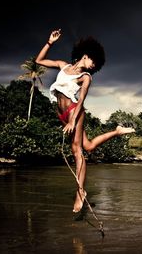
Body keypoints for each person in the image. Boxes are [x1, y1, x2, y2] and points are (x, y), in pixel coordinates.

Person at [35, 29, 135, 214]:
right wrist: (49, 43)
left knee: (77, 150)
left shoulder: (85, 78)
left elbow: (80, 101)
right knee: (88, 146)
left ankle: (80, 192)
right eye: (93, 62)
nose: (93, 66)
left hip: (75, 112)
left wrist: (73, 121)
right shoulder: (63, 66)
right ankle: (117, 131)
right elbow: (38, 61)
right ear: (86, 55)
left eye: (96, 65)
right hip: (62, 115)